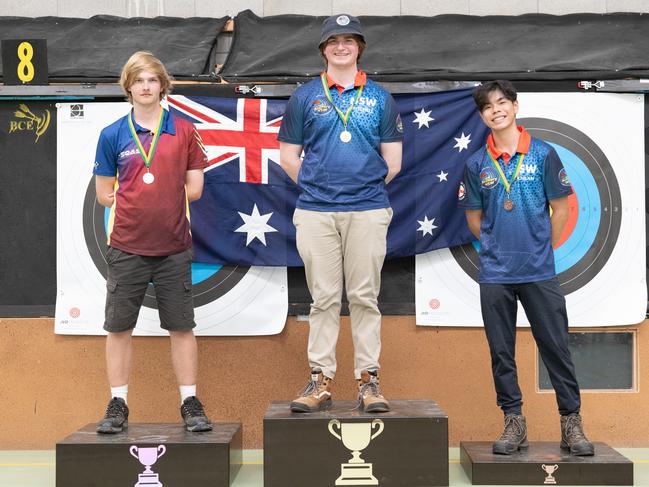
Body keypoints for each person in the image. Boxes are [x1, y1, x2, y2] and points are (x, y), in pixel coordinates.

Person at [459, 80, 594, 455]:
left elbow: (562, 209)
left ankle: (572, 423)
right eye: (488, 106)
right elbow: (474, 219)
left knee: (556, 347)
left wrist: (538, 249)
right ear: (482, 116)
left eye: (502, 102)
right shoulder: (476, 164)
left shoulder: (543, 154)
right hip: (495, 275)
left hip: (539, 272)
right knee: (501, 351)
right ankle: (513, 422)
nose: (496, 110)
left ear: (516, 106)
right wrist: (499, 249)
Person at [278, 14, 403, 413]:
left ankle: (368, 381)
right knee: (324, 299)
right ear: (323, 49)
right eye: (334, 40)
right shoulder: (305, 97)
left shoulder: (381, 98)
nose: (341, 46)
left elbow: (393, 162)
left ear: (360, 48)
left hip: (367, 210)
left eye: (349, 40)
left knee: (364, 296)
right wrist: (320, 187)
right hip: (316, 212)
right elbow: (287, 157)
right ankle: (320, 381)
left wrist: (357, 189)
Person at [93, 51, 211, 433]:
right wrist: (137, 200)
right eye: (139, 80)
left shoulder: (185, 130)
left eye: (152, 80)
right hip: (126, 246)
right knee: (119, 327)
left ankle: (190, 401)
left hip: (174, 246)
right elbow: (103, 194)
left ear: (163, 86)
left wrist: (162, 192)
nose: (146, 87)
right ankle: (118, 402)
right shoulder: (112, 134)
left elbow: (194, 189)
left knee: (181, 327)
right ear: (128, 87)